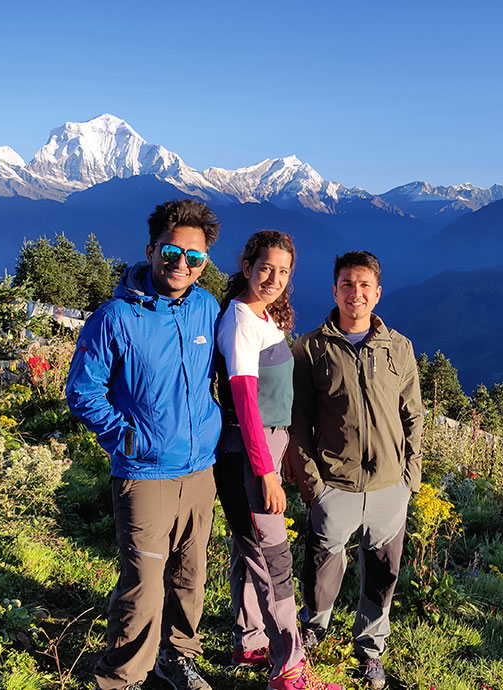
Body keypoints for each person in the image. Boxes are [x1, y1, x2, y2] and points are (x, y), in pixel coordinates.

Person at [65, 199, 222, 690]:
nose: (182, 265)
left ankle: (176, 658)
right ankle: (121, 678)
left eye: (194, 258)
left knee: (190, 576)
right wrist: (127, 437)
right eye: (173, 252)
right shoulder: (115, 317)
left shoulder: (206, 306)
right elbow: (81, 390)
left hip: (200, 469)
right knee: (144, 586)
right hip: (145, 473)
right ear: (152, 249)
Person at [288, 251, 424, 690]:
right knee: (322, 565)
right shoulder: (310, 348)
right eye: (347, 284)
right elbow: (298, 419)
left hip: (389, 486)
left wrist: (410, 479)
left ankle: (369, 649)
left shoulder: (398, 347)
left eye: (364, 285)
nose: (356, 293)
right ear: (334, 290)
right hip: (335, 485)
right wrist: (313, 484)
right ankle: (313, 627)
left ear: (378, 293)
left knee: (384, 572)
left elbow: (413, 416)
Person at [214, 231, 341, 690]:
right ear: (246, 266)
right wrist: (266, 469)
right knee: (274, 560)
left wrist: (281, 453)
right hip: (249, 454)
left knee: (249, 551)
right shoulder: (242, 322)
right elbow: (246, 403)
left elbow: (271, 399)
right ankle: (289, 667)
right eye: (265, 267)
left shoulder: (261, 317)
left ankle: (251, 641)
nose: (274, 278)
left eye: (283, 271)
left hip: (263, 448)